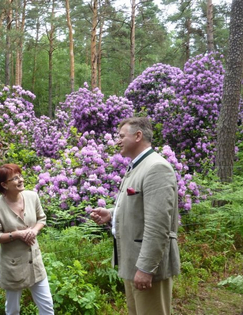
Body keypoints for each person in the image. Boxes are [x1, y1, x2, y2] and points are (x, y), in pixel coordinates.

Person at [90, 117, 180, 315]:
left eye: (122, 136)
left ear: (138, 135)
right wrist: (112, 214)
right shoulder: (137, 166)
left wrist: (146, 268)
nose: (118, 141)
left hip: (147, 267)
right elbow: (141, 208)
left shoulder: (156, 168)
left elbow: (158, 225)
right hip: (132, 261)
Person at [0, 164, 54, 315]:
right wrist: (16, 234)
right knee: (13, 310)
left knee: (47, 305)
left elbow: (42, 219)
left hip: (35, 263)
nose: (20, 180)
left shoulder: (32, 197)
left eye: (20, 176)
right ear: (4, 184)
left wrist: (34, 231)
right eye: (15, 178)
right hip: (13, 266)